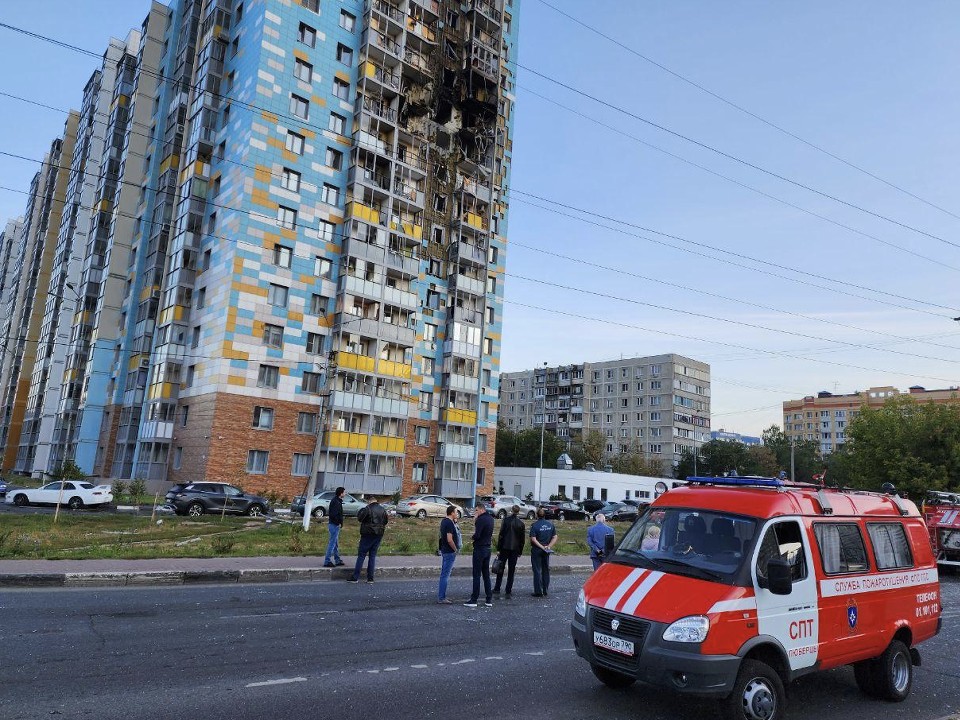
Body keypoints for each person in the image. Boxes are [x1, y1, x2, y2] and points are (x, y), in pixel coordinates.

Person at [348, 496, 388, 584]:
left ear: (369, 501)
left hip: (367, 534)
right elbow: (385, 521)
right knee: (372, 556)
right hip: (379, 534)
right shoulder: (382, 509)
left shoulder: (367, 508)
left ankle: (355, 577)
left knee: (361, 555)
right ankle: (370, 578)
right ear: (376, 502)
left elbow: (360, 518)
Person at [464, 502, 494, 608]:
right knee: (486, 575)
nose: (475, 512)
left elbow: (477, 535)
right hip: (488, 548)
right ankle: (488, 599)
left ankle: (474, 599)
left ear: (481, 510)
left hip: (480, 549)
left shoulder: (480, 520)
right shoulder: (491, 518)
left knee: (476, 574)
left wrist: (475, 521)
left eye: (476, 510)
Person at [493, 505, 525, 597]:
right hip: (515, 549)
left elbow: (501, 535)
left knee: (500, 568)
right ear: (518, 512)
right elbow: (522, 539)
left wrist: (498, 548)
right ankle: (508, 589)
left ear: (511, 511)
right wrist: (520, 551)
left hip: (504, 547)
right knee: (511, 570)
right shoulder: (521, 523)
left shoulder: (506, 520)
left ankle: (497, 587)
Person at [529, 508, 557, 597]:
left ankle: (538, 591)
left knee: (537, 570)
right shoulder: (550, 524)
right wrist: (548, 546)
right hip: (547, 550)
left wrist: (541, 547)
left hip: (537, 550)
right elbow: (555, 537)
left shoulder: (535, 525)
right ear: (544, 515)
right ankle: (545, 589)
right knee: (546, 570)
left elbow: (533, 539)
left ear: (537, 515)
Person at [437, 505, 461, 604]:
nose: (457, 514)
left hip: (444, 550)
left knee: (444, 574)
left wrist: (455, 522)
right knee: (445, 575)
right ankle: (442, 597)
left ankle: (441, 596)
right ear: (451, 513)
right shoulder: (449, 524)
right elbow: (449, 539)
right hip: (449, 551)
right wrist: (455, 549)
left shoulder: (444, 521)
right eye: (456, 512)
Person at [323, 487, 346, 568]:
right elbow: (333, 515)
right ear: (341, 493)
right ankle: (327, 561)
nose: (345, 494)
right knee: (332, 544)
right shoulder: (336, 502)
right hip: (334, 525)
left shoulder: (337, 500)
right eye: (344, 492)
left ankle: (337, 560)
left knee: (335, 544)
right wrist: (338, 523)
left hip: (333, 524)